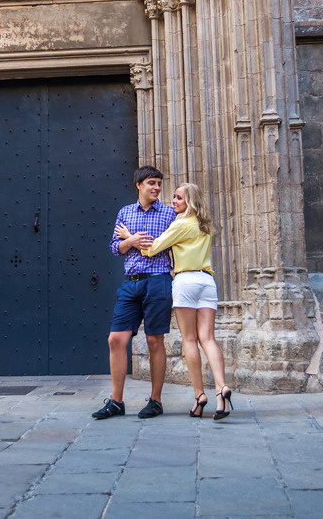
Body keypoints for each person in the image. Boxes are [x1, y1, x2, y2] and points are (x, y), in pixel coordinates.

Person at [116, 182, 233, 420]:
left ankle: (200, 394)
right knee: (208, 338)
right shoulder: (204, 225)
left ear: (189, 201)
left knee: (190, 339)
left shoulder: (181, 224)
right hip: (207, 282)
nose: (174, 202)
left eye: (179, 198)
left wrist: (129, 236)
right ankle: (222, 389)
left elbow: (151, 248)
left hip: (186, 282)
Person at [91, 165, 176, 420]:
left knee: (154, 341)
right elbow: (115, 247)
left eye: (159, 184)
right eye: (152, 183)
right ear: (138, 185)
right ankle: (116, 402)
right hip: (131, 283)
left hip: (158, 280)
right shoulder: (125, 212)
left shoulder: (170, 214)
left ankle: (156, 400)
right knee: (115, 339)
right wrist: (131, 241)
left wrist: (138, 242)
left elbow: (161, 245)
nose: (157, 188)